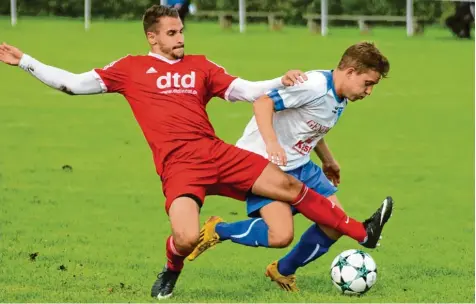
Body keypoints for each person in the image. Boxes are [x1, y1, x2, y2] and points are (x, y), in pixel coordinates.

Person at [0, 5, 392, 300]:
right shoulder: (131, 68)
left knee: (292, 186)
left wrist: (282, 79)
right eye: (172, 32)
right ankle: (172, 269)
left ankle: (362, 232)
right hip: (179, 169)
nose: (180, 37)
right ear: (152, 38)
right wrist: (26, 62)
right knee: (185, 238)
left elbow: (245, 90)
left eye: (182, 30)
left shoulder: (201, 66)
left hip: (217, 153)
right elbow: (71, 84)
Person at [187, 42, 393, 292]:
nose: (369, 91)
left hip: (302, 167)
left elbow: (310, 127)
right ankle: (218, 229)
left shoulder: (340, 95)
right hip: (264, 166)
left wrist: (328, 159)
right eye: (368, 83)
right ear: (350, 72)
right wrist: (272, 143)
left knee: (334, 225)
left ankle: (282, 270)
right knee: (281, 236)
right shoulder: (313, 86)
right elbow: (263, 103)